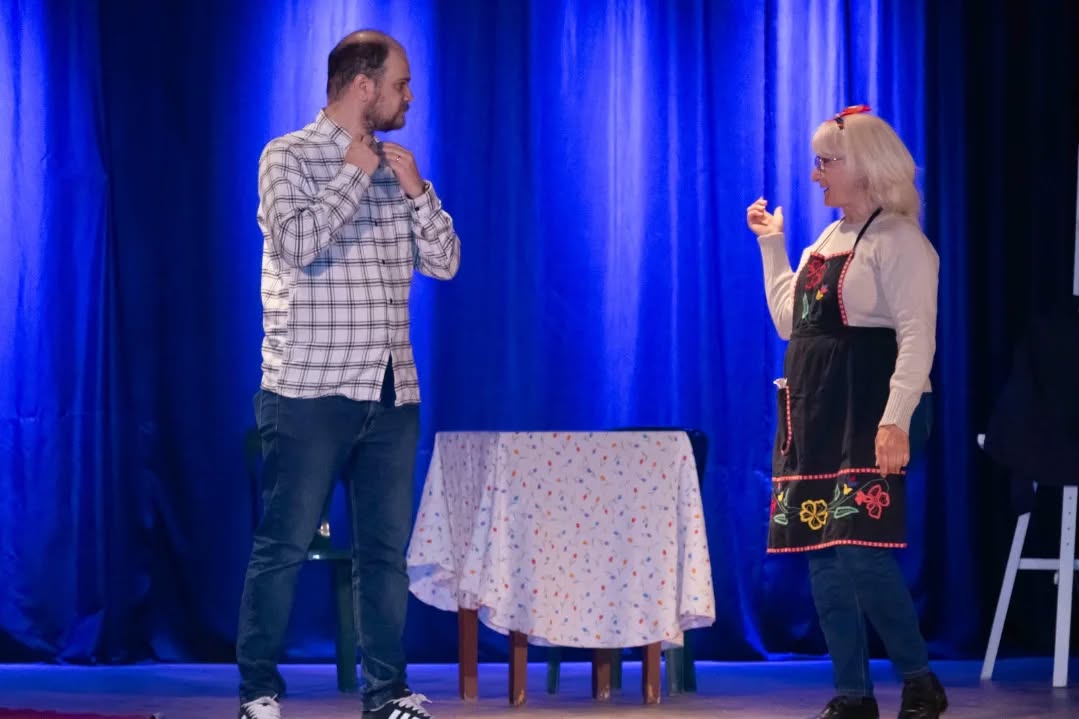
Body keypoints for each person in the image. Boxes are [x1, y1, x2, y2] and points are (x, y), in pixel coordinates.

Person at [236, 29, 460, 719]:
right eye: (400, 84)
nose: (409, 97)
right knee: (283, 544)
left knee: (383, 554)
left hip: (391, 391)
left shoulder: (396, 166)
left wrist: (418, 192)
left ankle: (386, 693)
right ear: (364, 85)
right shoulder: (288, 156)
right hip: (309, 389)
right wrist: (353, 174)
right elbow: (296, 243)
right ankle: (257, 692)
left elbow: (445, 262)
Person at [746, 106, 947, 719]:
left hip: (872, 409)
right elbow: (791, 321)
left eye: (826, 162)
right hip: (817, 409)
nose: (816, 175)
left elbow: (917, 337)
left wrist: (895, 419)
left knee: (861, 548)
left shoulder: (902, 242)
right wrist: (773, 245)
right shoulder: (825, 241)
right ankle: (853, 694)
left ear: (864, 167)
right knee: (823, 551)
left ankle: (919, 681)